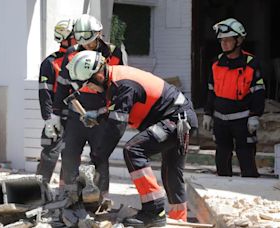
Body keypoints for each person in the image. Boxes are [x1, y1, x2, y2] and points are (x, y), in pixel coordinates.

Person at [66, 50, 198, 226]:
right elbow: (116, 108)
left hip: (176, 120)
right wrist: (97, 115)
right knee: (172, 172)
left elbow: (116, 126)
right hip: (180, 118)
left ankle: (153, 210)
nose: (88, 88)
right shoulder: (115, 79)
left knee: (134, 150)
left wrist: (97, 158)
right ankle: (177, 219)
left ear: (98, 74)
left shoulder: (123, 85)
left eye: (88, 83)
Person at [50, 14, 125, 199]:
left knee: (100, 156)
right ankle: (68, 195)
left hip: (101, 116)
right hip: (77, 114)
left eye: (91, 42)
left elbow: (118, 84)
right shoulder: (71, 53)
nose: (87, 46)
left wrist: (110, 113)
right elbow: (62, 85)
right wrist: (55, 114)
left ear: (99, 33)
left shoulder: (113, 53)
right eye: (83, 43)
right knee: (69, 154)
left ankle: (101, 198)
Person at [203, 18, 265, 177]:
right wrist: (208, 113)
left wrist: (255, 116)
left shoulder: (251, 64)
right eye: (221, 40)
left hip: (242, 120)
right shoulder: (216, 63)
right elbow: (211, 91)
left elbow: (258, 92)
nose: (224, 44)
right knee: (222, 157)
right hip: (220, 119)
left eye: (228, 40)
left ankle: (250, 192)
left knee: (246, 156)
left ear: (239, 41)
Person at [36, 19, 76, 184]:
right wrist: (49, 119)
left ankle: (64, 193)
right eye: (74, 36)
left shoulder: (79, 59)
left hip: (74, 117)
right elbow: (44, 92)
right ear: (65, 38)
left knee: (71, 156)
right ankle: (38, 190)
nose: (77, 39)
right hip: (56, 116)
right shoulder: (50, 62)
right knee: (49, 154)